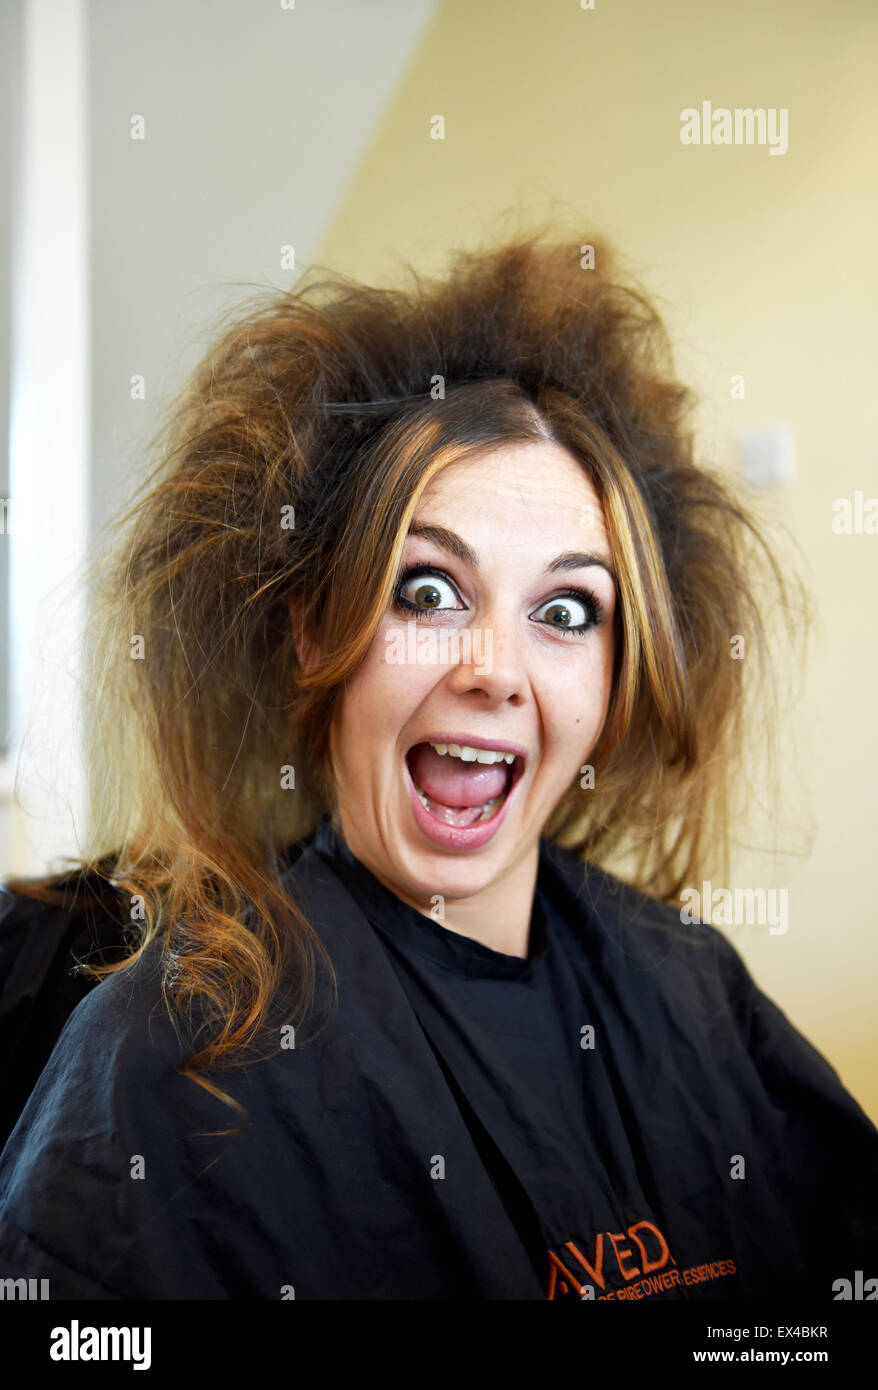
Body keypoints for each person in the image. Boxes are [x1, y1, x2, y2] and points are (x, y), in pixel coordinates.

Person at [0, 232, 875, 1301]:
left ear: (612, 683)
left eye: (563, 611)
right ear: (315, 626)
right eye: (428, 590)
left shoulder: (690, 990)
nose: (493, 669)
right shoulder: (171, 1063)